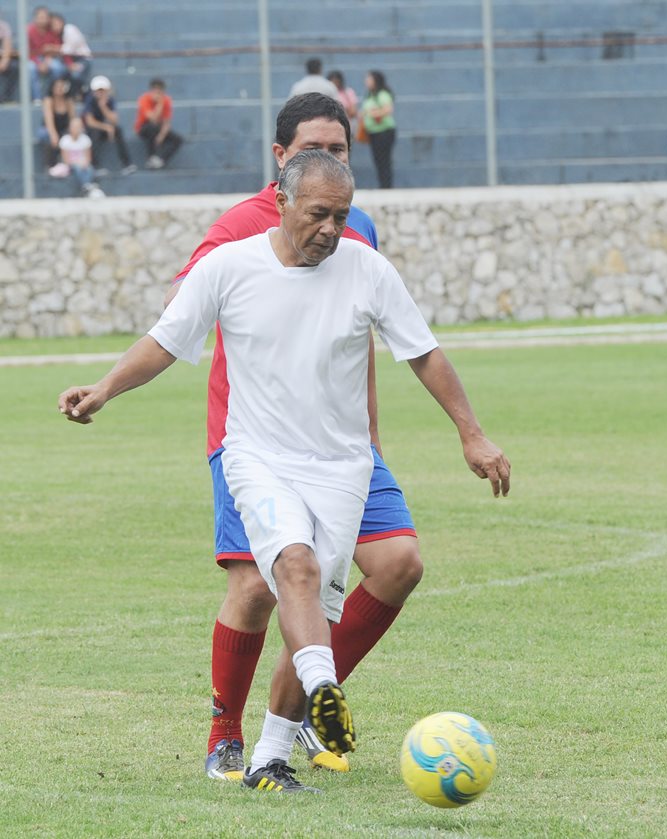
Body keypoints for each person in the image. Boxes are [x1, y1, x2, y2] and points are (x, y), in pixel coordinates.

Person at [60, 149, 504, 794]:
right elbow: (164, 342)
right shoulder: (229, 268)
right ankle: (325, 691)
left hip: (343, 468)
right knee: (290, 568)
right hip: (257, 458)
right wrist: (104, 389)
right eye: (319, 214)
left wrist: (472, 433)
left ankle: (270, 756)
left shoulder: (368, 270)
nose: (331, 228)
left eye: (341, 216)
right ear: (283, 202)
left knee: (313, 607)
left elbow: (424, 353)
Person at [166, 93, 508, 785]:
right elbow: (189, 318)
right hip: (254, 440)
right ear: (281, 159)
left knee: (399, 562)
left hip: (346, 446)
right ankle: (227, 730)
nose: (327, 163)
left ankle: (310, 703)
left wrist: (381, 436)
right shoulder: (235, 233)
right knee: (260, 586)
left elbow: (367, 337)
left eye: (341, 151)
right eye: (311, 150)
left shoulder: (356, 232)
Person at [82, 75, 136, 176]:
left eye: (103, 90)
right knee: (95, 132)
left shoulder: (110, 100)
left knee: (118, 130)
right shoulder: (90, 100)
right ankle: (95, 166)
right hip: (93, 130)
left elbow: (114, 120)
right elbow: (90, 122)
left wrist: (103, 107)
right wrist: (106, 127)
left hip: (105, 130)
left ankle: (127, 164)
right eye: (98, 90)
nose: (101, 93)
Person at [134, 78, 184, 169]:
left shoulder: (167, 100)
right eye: (155, 91)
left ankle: (160, 160)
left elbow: (167, 121)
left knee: (178, 139)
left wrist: (161, 135)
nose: (157, 94)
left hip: (159, 127)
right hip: (144, 127)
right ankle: (151, 157)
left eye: (160, 91)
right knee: (151, 127)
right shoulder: (144, 99)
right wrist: (160, 104)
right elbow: (152, 118)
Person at [361, 70, 395, 188]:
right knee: (378, 160)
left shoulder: (382, 94)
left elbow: (388, 110)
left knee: (384, 160)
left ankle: (386, 186)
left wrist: (371, 113)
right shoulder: (370, 95)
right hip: (373, 132)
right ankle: (383, 185)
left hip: (384, 132)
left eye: (369, 79)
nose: (366, 82)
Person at [57, 114, 103, 197]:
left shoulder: (85, 139)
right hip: (72, 165)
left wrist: (84, 163)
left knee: (89, 169)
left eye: (78, 126)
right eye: (74, 126)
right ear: (70, 128)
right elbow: (66, 160)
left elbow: (88, 158)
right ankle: (87, 185)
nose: (76, 129)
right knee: (78, 168)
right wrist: (77, 163)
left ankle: (87, 186)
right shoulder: (65, 140)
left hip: (83, 163)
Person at [49, 11, 90, 99]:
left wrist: (52, 48)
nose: (54, 26)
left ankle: (81, 93)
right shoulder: (56, 36)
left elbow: (68, 50)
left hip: (82, 59)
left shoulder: (69, 29)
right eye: (52, 25)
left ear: (61, 22)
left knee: (76, 75)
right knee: (58, 71)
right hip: (67, 61)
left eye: (56, 23)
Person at [26, 5, 63, 101]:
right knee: (30, 69)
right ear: (35, 18)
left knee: (58, 68)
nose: (43, 20)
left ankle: (51, 95)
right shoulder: (29, 30)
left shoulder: (52, 29)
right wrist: (39, 64)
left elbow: (57, 47)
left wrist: (47, 61)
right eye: (40, 17)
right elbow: (28, 51)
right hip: (33, 59)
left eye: (45, 17)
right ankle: (37, 98)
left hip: (49, 58)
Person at [37, 76, 74, 170]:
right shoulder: (49, 100)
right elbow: (48, 119)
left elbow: (72, 119)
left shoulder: (68, 101)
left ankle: (69, 165)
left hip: (63, 129)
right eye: (57, 86)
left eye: (62, 86)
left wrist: (72, 132)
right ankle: (50, 166)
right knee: (47, 136)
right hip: (48, 128)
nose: (60, 89)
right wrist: (53, 134)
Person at [0, 13, 17, 103]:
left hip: (2, 58)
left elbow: (7, 46)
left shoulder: (4, 26)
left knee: (14, 67)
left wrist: (4, 61)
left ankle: (7, 98)